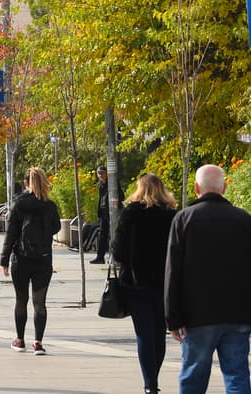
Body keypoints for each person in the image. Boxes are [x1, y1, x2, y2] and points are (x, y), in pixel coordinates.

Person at [165, 163, 251, 394]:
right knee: (237, 375)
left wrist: (173, 317)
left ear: (196, 188)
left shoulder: (184, 219)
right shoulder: (244, 220)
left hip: (197, 315)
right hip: (238, 314)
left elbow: (173, 272)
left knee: (193, 375)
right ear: (223, 187)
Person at [112, 173, 178, 394]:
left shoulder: (130, 213)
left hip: (136, 282)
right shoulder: (171, 215)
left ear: (140, 189)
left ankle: (150, 384)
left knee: (144, 333)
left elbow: (118, 249)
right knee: (160, 332)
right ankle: (153, 377)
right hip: (164, 283)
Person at [0, 166, 61, 354]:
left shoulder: (19, 205)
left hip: (21, 258)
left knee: (21, 299)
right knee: (39, 302)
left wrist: (4, 259)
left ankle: (19, 340)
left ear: (26, 183)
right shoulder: (49, 206)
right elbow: (56, 227)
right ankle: (38, 342)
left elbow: (11, 233)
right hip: (43, 259)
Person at [89, 165, 123, 264]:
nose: (100, 175)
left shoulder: (112, 183)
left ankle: (115, 256)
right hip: (104, 212)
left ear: (107, 174)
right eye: (98, 173)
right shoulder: (101, 184)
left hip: (112, 212)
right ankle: (100, 257)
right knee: (102, 235)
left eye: (102, 173)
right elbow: (101, 199)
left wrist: (114, 206)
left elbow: (121, 196)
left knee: (113, 233)